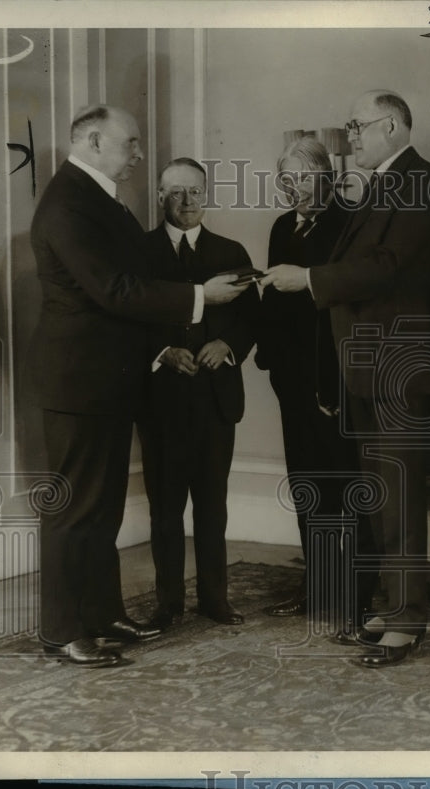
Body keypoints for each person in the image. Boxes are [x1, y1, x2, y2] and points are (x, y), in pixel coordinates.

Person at [29, 105, 247, 667]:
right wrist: (202, 297)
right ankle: (61, 630)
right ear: (95, 141)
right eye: (132, 143)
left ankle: (102, 615)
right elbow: (116, 289)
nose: (139, 153)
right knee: (74, 508)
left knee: (100, 509)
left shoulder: (97, 197)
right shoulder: (68, 203)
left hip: (106, 381)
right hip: (79, 383)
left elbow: (133, 281)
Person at [261, 90, 430, 667]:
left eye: (358, 126)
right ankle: (397, 605)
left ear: (391, 126)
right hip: (371, 367)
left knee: (397, 496)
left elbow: (390, 268)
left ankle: (406, 619)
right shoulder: (386, 185)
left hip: (398, 366)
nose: (351, 136)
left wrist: (310, 280)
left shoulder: (425, 183)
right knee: (383, 499)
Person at [257, 137, 376, 622]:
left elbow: (349, 308)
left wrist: (333, 383)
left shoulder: (350, 221)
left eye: (299, 177)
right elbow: (275, 303)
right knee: (306, 483)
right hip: (292, 381)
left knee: (345, 484)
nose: (290, 187)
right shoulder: (283, 226)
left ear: (325, 176)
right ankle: (319, 586)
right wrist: (273, 365)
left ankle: (359, 592)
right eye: (284, 178)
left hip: (335, 381)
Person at [139, 157, 260, 631]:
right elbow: (127, 316)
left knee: (213, 506)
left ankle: (215, 600)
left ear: (206, 194)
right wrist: (163, 350)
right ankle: (168, 603)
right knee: (165, 510)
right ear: (160, 196)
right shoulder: (140, 253)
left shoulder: (232, 251)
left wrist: (227, 344)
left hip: (215, 401)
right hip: (161, 403)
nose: (187, 202)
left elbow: (252, 318)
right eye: (176, 193)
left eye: (195, 192)